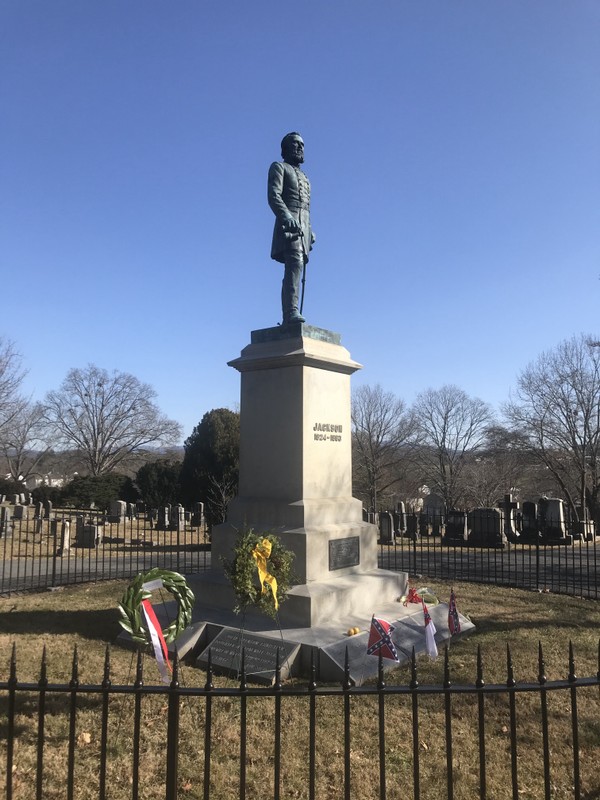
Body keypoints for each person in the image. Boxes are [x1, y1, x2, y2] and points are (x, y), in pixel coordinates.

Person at [268, 132, 316, 324]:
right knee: (294, 265)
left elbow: (306, 206)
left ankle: (292, 312)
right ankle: (290, 313)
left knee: (298, 268)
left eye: (302, 145)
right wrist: (287, 216)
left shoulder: (305, 177)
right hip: (289, 226)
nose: (299, 148)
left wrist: (309, 228)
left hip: (303, 226)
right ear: (285, 149)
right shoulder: (279, 167)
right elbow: (274, 195)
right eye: (295, 144)